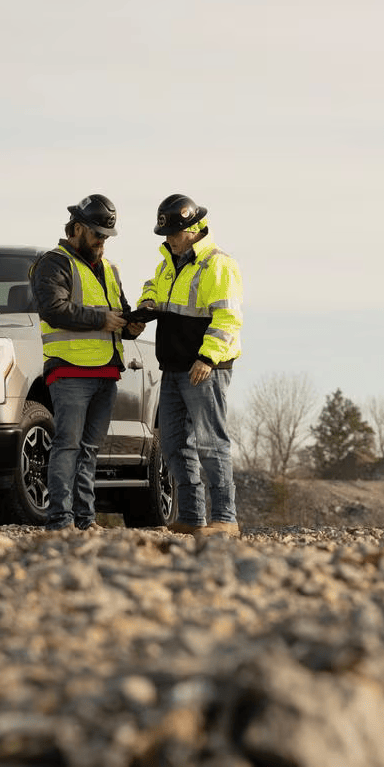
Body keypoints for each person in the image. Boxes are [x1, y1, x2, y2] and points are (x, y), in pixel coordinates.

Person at [30, 194, 146, 531]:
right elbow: (53, 309)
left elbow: (117, 314)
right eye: (97, 235)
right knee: (67, 446)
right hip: (69, 371)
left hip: (107, 371)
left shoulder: (110, 270)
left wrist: (131, 326)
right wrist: (101, 320)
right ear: (77, 228)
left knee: (89, 450)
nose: (102, 243)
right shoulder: (52, 263)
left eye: (107, 236)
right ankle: (60, 520)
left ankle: (85, 519)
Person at [137, 193, 244, 537]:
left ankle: (225, 519)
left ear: (193, 228)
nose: (167, 239)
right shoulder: (169, 262)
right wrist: (146, 303)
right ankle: (193, 517)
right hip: (172, 366)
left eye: (172, 233)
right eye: (165, 233)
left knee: (211, 443)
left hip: (204, 367)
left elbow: (228, 318)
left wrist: (208, 357)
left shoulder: (217, 264)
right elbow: (152, 286)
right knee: (173, 444)